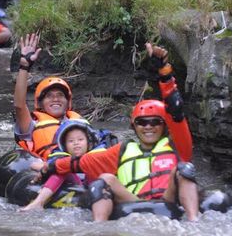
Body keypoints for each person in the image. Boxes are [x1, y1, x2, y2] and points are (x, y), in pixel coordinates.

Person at [43, 43, 199, 221]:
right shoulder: (123, 150)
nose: (148, 127)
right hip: (132, 202)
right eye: (142, 122)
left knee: (184, 168)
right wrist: (49, 167)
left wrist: (164, 72)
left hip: (168, 201)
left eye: (154, 122)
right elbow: (82, 163)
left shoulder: (176, 146)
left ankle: (194, 223)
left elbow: (176, 108)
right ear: (134, 126)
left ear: (163, 125)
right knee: (105, 178)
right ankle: (98, 227)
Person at [13, 33, 87, 161]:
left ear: (68, 102)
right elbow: (19, 105)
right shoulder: (32, 125)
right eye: (49, 96)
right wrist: (24, 66)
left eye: (60, 95)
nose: (55, 99)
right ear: (40, 104)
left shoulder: (79, 122)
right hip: (49, 171)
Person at [19, 119, 104, 211]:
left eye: (80, 139)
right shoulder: (61, 159)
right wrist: (45, 168)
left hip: (92, 186)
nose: (76, 143)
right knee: (61, 169)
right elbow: (34, 165)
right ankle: (38, 202)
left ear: (88, 142)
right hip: (76, 184)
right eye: (71, 141)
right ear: (65, 146)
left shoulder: (96, 156)